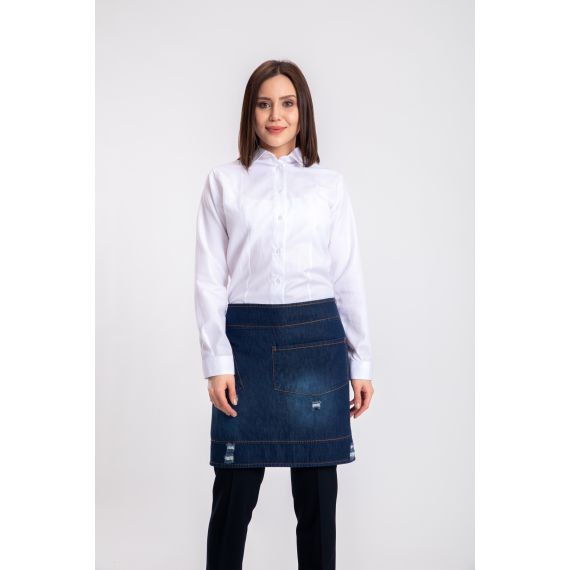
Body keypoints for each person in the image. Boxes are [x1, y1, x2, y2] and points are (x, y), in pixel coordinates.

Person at [194, 59, 375, 570]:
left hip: (317, 346)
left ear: (303, 111)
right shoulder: (224, 182)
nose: (276, 115)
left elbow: (346, 277)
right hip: (246, 349)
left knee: (317, 500)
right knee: (232, 500)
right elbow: (209, 279)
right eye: (264, 103)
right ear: (250, 112)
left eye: (287, 103)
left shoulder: (328, 185)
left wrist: (360, 362)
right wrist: (216, 361)